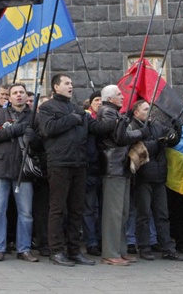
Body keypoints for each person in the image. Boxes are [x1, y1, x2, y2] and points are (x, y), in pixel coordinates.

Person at [36, 74, 107, 267]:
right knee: (58, 209)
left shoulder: (78, 109)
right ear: (56, 87)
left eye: (72, 83)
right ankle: (57, 250)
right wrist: (72, 119)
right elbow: (48, 129)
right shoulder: (47, 108)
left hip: (79, 164)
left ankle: (74, 250)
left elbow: (97, 127)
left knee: (77, 209)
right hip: (59, 163)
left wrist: (112, 115)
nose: (71, 86)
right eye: (67, 83)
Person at [0, 83, 39, 263]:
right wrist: (13, 130)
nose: (19, 95)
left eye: (22, 92)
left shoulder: (34, 116)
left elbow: (42, 142)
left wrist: (34, 138)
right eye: (15, 93)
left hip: (24, 169)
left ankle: (24, 248)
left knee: (26, 212)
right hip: (0, 168)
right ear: (9, 97)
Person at [96, 85, 147, 266]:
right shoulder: (108, 112)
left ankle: (120, 250)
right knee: (114, 213)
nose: (123, 97)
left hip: (120, 166)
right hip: (113, 166)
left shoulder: (114, 113)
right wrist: (140, 132)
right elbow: (120, 137)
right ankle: (110, 252)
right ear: (110, 98)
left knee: (122, 212)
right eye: (119, 95)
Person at [129, 99, 183, 261]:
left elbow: (172, 140)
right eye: (145, 109)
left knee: (162, 215)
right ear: (136, 113)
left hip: (159, 176)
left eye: (149, 109)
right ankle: (144, 247)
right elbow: (138, 150)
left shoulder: (156, 125)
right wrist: (159, 143)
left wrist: (176, 128)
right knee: (143, 214)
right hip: (143, 177)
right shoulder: (133, 127)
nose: (149, 112)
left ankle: (168, 248)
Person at [83, 90, 103, 256]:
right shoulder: (87, 118)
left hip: (105, 170)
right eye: (97, 100)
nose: (100, 103)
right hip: (90, 169)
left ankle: (102, 239)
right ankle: (91, 242)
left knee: (102, 209)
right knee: (90, 208)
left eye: (102, 100)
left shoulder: (108, 119)